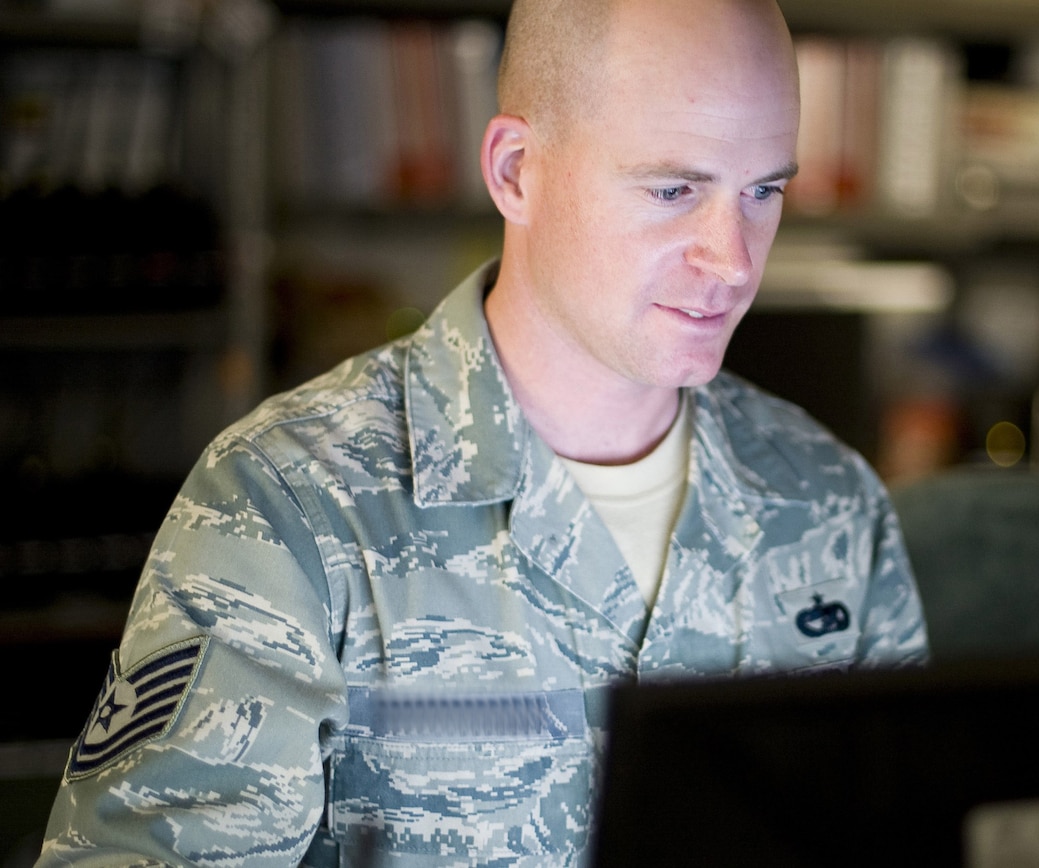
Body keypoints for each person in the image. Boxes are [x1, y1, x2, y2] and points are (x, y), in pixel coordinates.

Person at [38, 0, 928, 864]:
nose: (732, 258)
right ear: (515, 170)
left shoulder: (827, 503)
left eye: (763, 190)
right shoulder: (290, 506)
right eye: (672, 189)